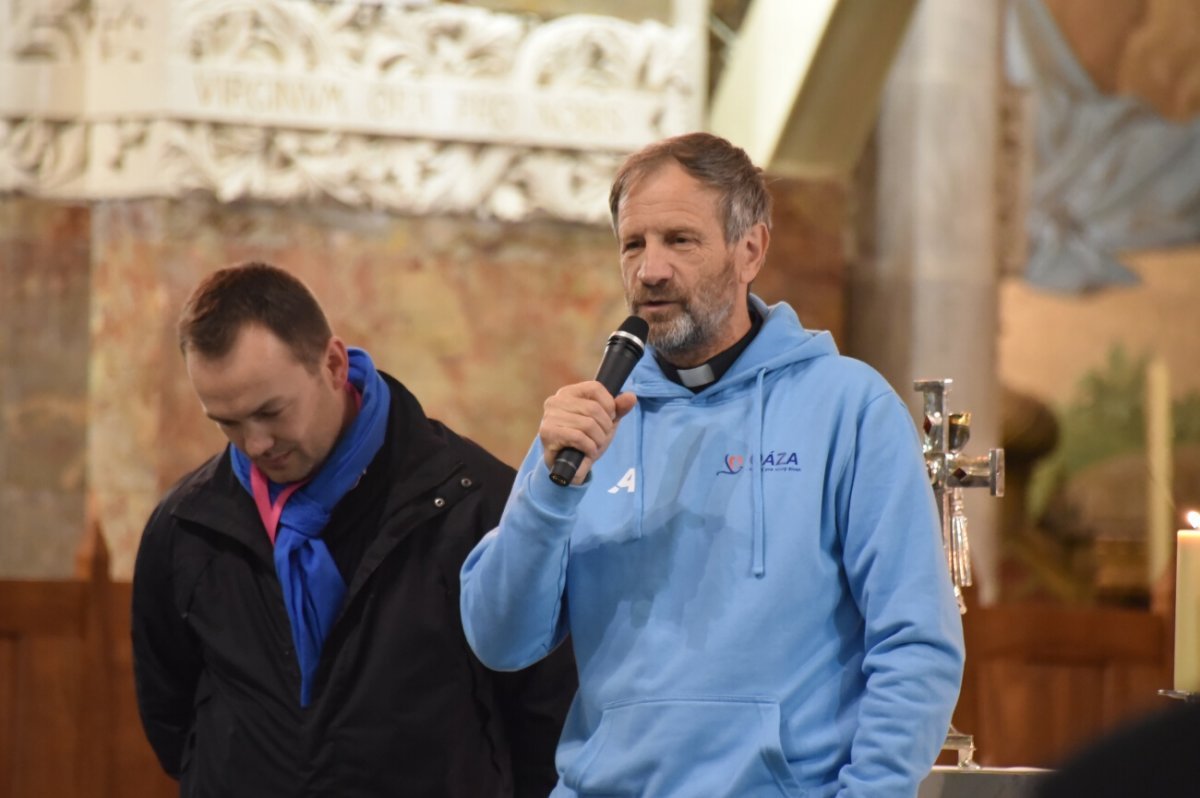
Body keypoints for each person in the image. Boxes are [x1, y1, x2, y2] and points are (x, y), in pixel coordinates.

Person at [459, 132, 965, 797]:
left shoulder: (848, 407)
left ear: (750, 248)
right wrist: (550, 498)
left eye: (680, 240)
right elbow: (500, 640)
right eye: (633, 244)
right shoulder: (591, 421)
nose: (651, 270)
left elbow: (916, 645)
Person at [131, 262, 577, 797]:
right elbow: (171, 718)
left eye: (271, 411)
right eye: (226, 422)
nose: (254, 445)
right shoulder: (188, 526)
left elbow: (544, 715)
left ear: (334, 364)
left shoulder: (477, 505)